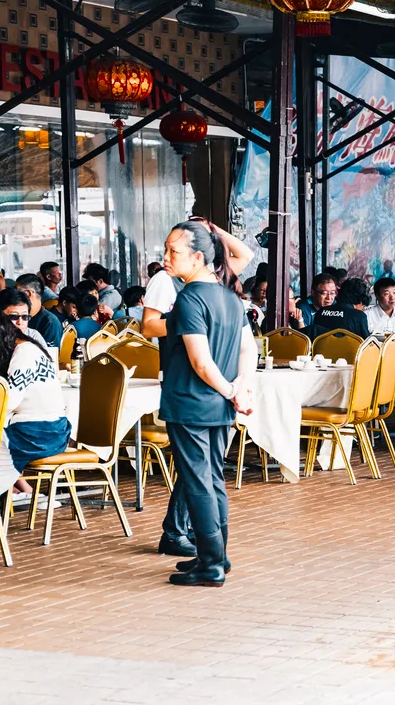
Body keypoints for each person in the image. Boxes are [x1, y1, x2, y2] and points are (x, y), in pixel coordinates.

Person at [157, 221, 255, 587]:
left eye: (173, 251)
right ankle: (217, 556)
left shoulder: (189, 298)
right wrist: (240, 389)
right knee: (213, 480)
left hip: (191, 404)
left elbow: (200, 362)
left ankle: (211, 564)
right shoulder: (231, 297)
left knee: (199, 483)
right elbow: (249, 348)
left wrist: (234, 391)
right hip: (218, 408)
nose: (166, 257)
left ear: (198, 257)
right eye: (166, 250)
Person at [0, 306, 70, 495]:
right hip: (47, 429)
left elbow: (9, 402)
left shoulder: (24, 353)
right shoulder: (23, 348)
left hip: (42, 433)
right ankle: (13, 492)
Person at [14, 274, 63, 348]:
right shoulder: (21, 317)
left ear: (27, 293)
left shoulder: (50, 322)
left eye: (17, 292)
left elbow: (50, 356)